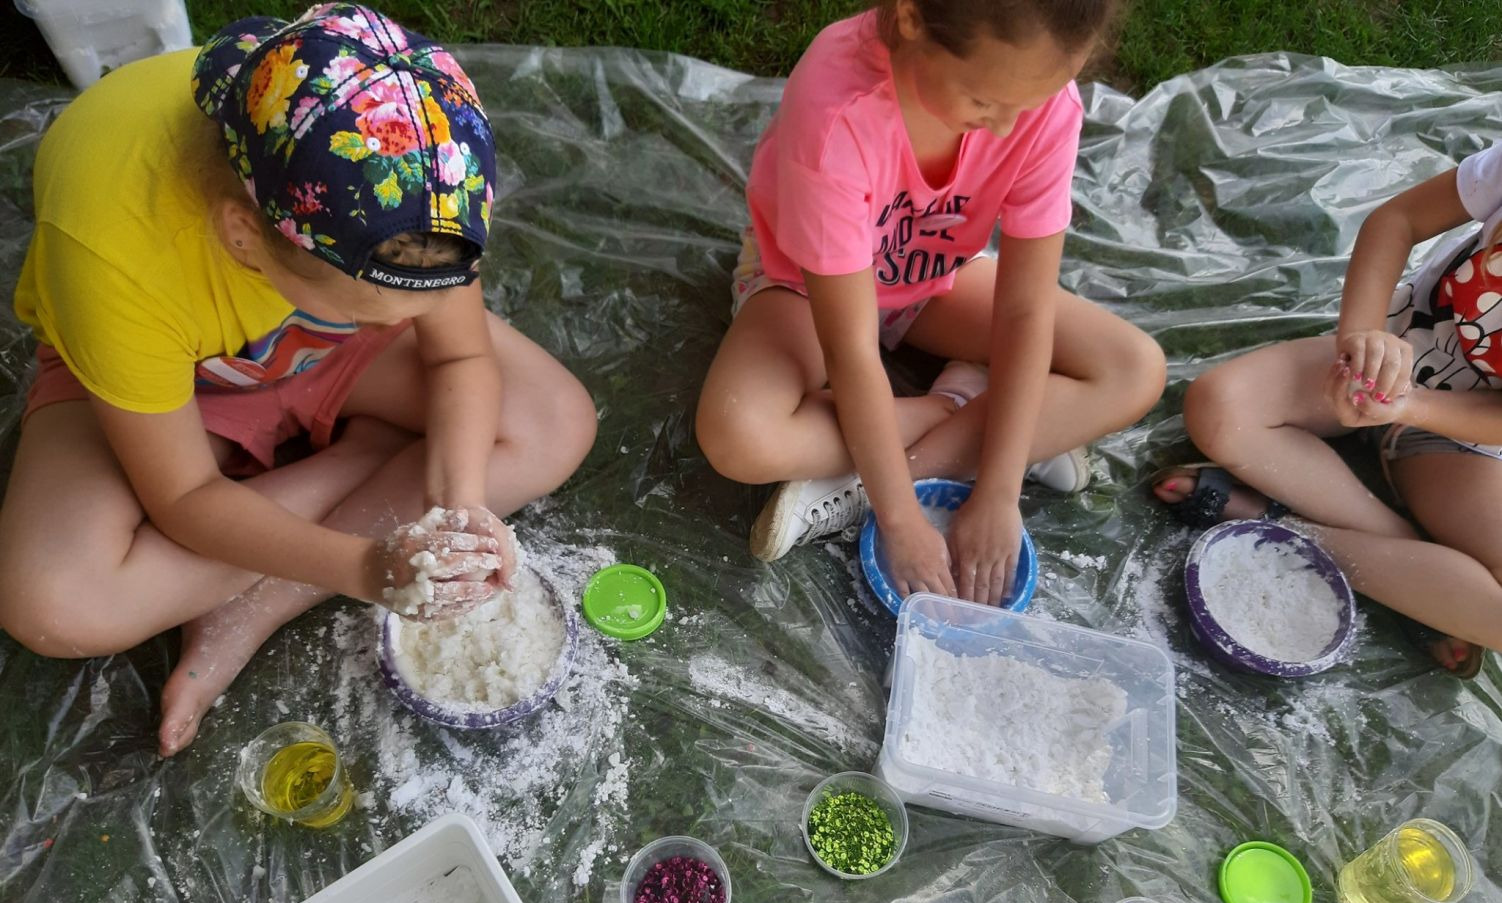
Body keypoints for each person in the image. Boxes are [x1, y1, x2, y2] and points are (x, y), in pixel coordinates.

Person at [0, 4, 597, 752]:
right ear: (243, 235)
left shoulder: (415, 176)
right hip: (181, 387)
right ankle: (359, 456)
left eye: (417, 310)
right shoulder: (113, 260)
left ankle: (254, 605)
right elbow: (184, 497)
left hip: (316, 344)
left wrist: (456, 507)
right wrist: (367, 567)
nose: (398, 330)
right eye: (373, 313)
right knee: (55, 601)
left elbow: (457, 357)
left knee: (556, 419)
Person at [696, 0, 1164, 604]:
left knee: (1133, 368)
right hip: (804, 289)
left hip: (933, 273)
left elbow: (1025, 310)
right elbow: (850, 348)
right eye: (983, 101)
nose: (1006, 127)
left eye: (1028, 104)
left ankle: (866, 483)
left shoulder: (1040, 102)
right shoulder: (838, 108)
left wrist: (998, 493)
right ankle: (959, 410)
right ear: (911, 17)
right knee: (739, 434)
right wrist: (900, 519)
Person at [1151, 144, 1502, 678]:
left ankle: (1277, 526)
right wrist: (1360, 338)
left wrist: (1411, 405)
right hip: (1383, 353)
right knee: (1221, 408)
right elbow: (1399, 219)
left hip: (1461, 438)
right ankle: (1413, 578)